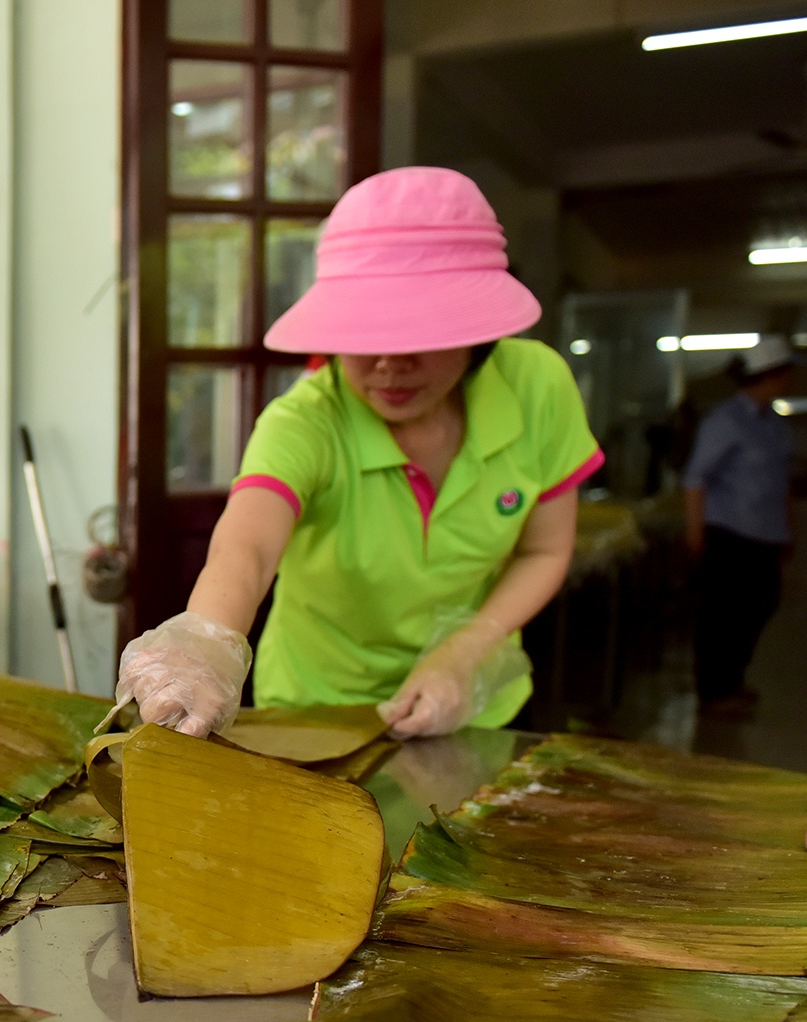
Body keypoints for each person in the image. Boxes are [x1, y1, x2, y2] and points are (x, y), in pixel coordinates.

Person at [117, 167, 602, 740]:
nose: (389, 365)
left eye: (420, 333)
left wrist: (464, 653)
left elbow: (545, 550)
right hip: (314, 711)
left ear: (479, 331)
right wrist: (206, 642)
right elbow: (246, 549)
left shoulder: (537, 387)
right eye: (365, 333)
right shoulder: (307, 421)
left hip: (476, 709)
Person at [685, 333, 796, 715]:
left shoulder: (773, 424)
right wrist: (695, 531)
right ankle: (714, 690)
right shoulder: (725, 421)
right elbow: (695, 478)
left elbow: (781, 482)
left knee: (761, 604)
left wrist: (787, 529)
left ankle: (732, 679)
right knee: (724, 613)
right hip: (730, 532)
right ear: (769, 375)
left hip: (765, 533)